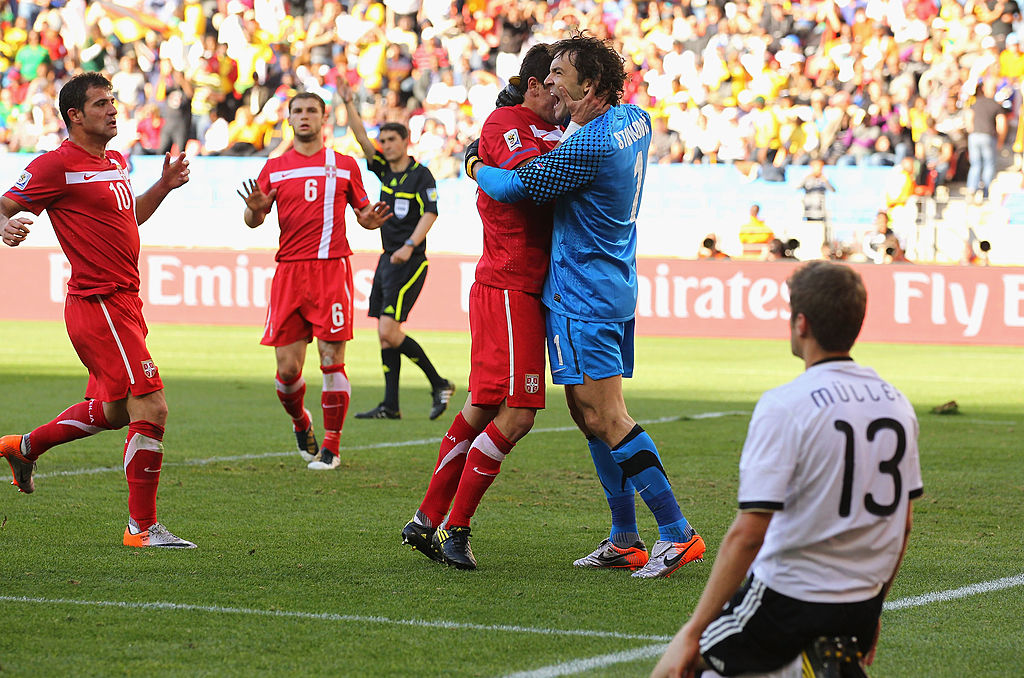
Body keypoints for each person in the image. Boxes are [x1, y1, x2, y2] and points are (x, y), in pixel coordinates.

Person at [468, 34, 705, 579]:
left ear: (590, 86)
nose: (549, 82)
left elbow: (513, 187)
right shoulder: (637, 121)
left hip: (582, 294)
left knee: (605, 415)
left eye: (560, 75)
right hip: (615, 282)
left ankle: (676, 532)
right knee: (586, 414)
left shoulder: (586, 146)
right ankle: (625, 538)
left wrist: (475, 164)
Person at [651, 261, 921, 678]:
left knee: (679, 666)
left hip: (787, 601)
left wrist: (693, 632)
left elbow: (748, 533)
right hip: (860, 604)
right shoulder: (897, 403)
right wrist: (871, 610)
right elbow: (902, 525)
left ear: (801, 324)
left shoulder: (785, 404)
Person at [0, 72, 195, 548]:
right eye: (101, 103)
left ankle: (24, 447)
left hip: (126, 301)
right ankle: (141, 529)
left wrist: (164, 185)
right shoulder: (54, 166)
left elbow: (130, 217)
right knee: (151, 405)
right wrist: (4, 227)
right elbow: (3, 205)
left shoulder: (116, 161)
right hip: (98, 300)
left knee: (112, 411)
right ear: (75, 115)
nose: (113, 109)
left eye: (113, 101)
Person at [400, 45, 563, 570]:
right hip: (511, 286)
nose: (565, 95)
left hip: (516, 287)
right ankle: (457, 528)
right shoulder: (507, 122)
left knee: (481, 408)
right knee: (517, 416)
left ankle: (426, 518)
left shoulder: (551, 128)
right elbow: (528, 186)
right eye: (557, 83)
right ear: (534, 84)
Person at [238, 92, 393, 471]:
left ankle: (332, 447)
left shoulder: (344, 166)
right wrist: (254, 211)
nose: (304, 117)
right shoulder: (274, 167)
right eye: (298, 111)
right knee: (288, 370)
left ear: (324, 119)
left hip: (331, 270)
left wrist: (369, 221)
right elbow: (253, 217)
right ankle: (301, 422)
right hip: (289, 272)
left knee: (331, 360)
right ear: (289, 119)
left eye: (311, 111)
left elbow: (362, 213)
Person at [340, 83, 455, 421]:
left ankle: (439, 383)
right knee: (383, 335)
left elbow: (431, 213)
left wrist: (408, 246)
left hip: (410, 260)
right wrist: (348, 102)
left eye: (391, 140)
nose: (385, 145)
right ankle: (390, 405)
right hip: (388, 258)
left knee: (390, 331)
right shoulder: (384, 170)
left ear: (405, 142)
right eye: (383, 140)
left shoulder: (421, 175)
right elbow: (361, 138)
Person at [966, 77, 1008, 204]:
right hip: (988, 136)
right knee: (989, 164)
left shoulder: (975, 103)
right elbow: (1002, 124)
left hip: (974, 136)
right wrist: (1000, 140)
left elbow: (968, 121)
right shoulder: (996, 106)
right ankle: (984, 192)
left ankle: (971, 189)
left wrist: (972, 132)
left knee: (975, 164)